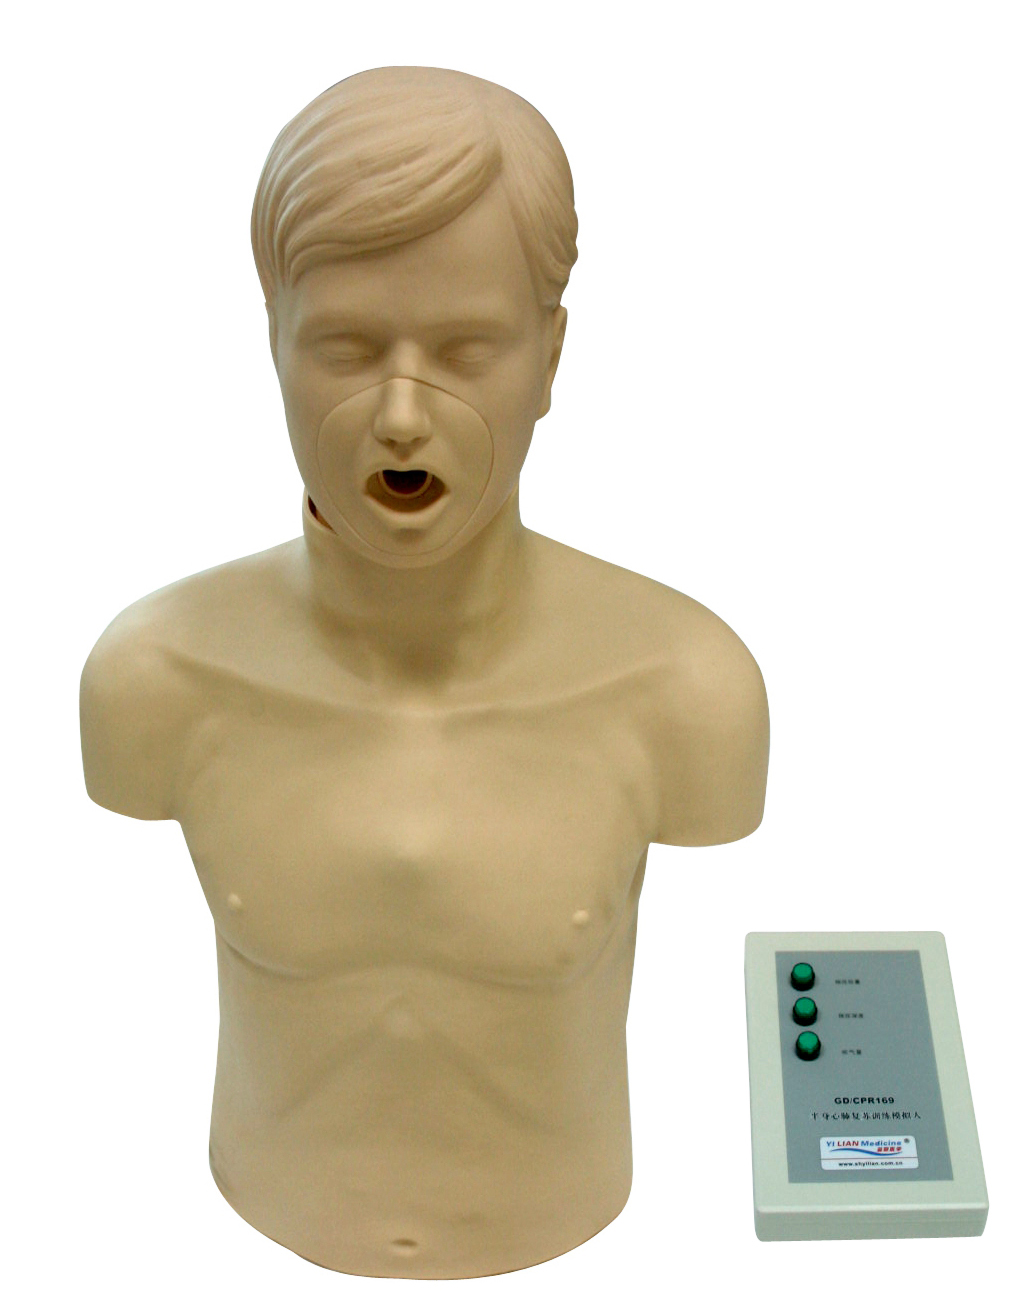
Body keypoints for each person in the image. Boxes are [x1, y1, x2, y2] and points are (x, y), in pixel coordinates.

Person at [80, 66, 769, 1279]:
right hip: (237, 1251)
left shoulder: (687, 689)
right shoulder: (155, 676)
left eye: (467, 350)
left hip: (583, 1252)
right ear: (273, 344)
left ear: (551, 358)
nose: (402, 414)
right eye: (345, 348)